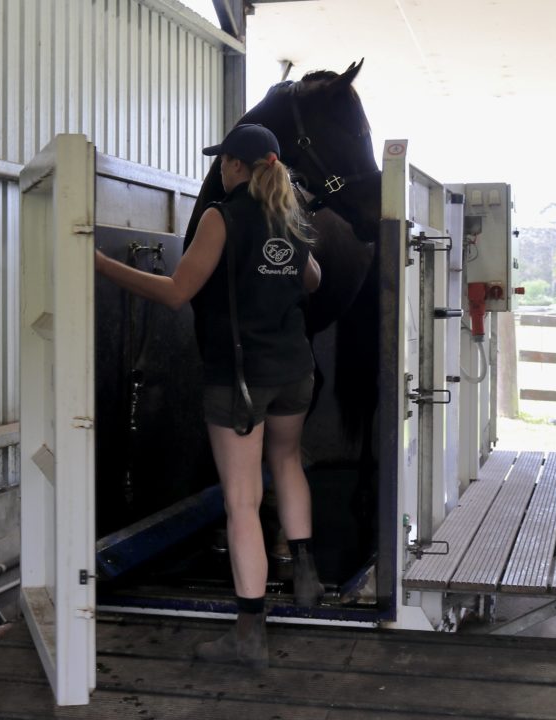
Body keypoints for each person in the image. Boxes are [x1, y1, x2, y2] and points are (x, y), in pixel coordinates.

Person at [94, 123, 325, 669]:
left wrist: (100, 264)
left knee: (241, 501)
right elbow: (312, 279)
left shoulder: (221, 216)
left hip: (240, 379)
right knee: (288, 462)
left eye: (224, 161)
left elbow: (176, 293)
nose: (220, 169)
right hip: (295, 371)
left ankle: (248, 634)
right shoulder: (289, 218)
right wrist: (277, 271)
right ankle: (308, 578)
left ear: (237, 167)